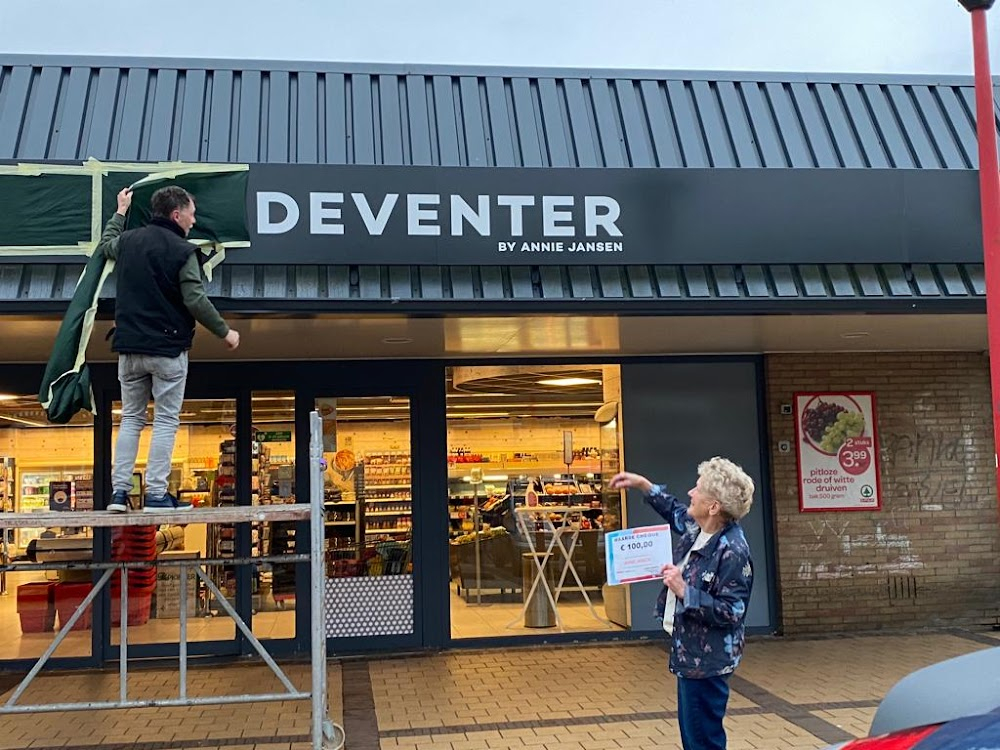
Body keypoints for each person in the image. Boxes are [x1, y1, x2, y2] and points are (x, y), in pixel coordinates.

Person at [96, 186, 240, 513]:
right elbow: (194, 299)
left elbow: (105, 246)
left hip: (129, 348)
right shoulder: (183, 251)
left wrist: (120, 211)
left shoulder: (129, 241)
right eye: (191, 212)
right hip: (167, 348)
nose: (193, 219)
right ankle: (157, 496)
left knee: (131, 419)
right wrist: (225, 332)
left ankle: (119, 494)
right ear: (176, 215)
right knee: (164, 420)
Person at [609, 458, 754, 750]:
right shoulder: (699, 529)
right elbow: (674, 510)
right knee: (695, 736)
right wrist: (643, 485)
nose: (690, 492)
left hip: (707, 662)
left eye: (698, 489)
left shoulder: (732, 550)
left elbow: (732, 611)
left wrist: (684, 590)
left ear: (713, 506)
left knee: (703, 740)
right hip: (690, 655)